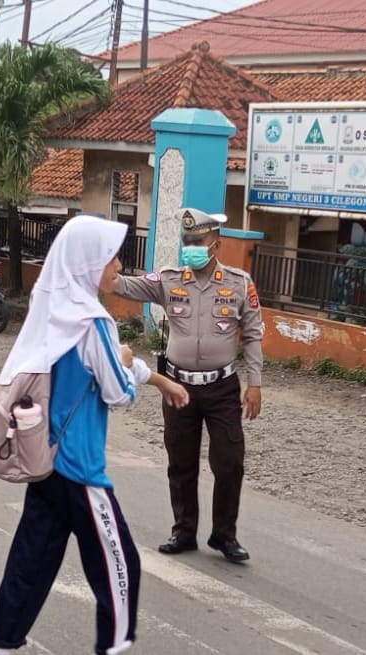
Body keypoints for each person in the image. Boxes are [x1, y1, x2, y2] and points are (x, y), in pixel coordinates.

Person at [0, 214, 190, 655]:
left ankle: (0, 646)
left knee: (30, 564)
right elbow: (117, 391)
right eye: (110, 257)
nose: (118, 265)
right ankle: (113, 648)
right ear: (87, 262)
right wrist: (130, 366)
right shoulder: (92, 321)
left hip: (45, 459)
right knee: (120, 567)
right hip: (80, 469)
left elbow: (99, 367)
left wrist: (151, 375)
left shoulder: (51, 308)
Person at [111, 207, 264, 563]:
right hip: (177, 384)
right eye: (187, 241)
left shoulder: (239, 283)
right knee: (180, 461)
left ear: (216, 243)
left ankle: (224, 535)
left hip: (222, 387)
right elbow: (124, 285)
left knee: (229, 461)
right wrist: (99, 265)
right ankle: (183, 531)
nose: (191, 247)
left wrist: (255, 383)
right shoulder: (169, 280)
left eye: (198, 241)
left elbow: (253, 334)